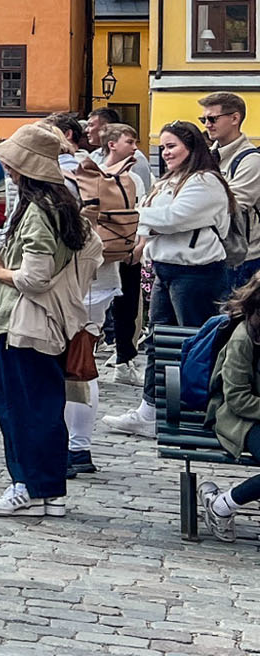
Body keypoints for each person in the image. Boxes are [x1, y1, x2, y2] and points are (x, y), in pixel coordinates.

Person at [0, 124, 102, 517]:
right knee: (45, 408)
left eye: (14, 166)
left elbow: (34, 278)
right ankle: (48, 492)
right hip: (51, 323)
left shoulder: (36, 212)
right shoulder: (62, 203)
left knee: (22, 408)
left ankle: (26, 488)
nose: (10, 172)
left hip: (26, 324)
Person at [103, 120, 234, 438]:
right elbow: (153, 221)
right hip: (165, 270)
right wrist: (145, 218)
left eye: (172, 145)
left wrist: (133, 214)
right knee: (161, 344)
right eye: (163, 146)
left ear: (191, 148)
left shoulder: (206, 182)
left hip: (197, 274)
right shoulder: (167, 181)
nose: (166, 152)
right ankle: (151, 410)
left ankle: (202, 414)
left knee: (197, 346)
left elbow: (174, 218)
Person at [199, 277, 260, 542]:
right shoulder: (243, 339)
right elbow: (237, 398)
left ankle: (221, 504)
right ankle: (220, 505)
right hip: (241, 418)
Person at [93, 123, 147, 384]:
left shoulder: (134, 178)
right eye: (130, 142)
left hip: (129, 251)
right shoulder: (94, 175)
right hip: (102, 252)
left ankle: (124, 360)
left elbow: (144, 213)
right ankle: (85, 357)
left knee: (127, 308)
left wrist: (140, 244)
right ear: (112, 144)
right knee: (95, 305)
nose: (135, 147)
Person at [200, 92, 260, 291]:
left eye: (212, 118)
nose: (207, 124)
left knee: (232, 317)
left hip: (243, 256)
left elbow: (232, 204)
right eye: (204, 119)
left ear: (235, 118)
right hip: (212, 253)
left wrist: (193, 203)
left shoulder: (251, 159)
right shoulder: (208, 156)